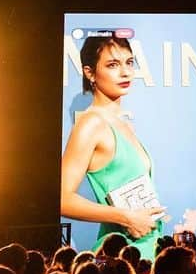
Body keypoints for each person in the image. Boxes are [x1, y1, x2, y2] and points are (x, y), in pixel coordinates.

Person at [61, 34, 167, 262]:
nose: (125, 72)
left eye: (129, 62)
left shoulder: (122, 124)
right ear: (90, 73)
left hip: (147, 250)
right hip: (121, 256)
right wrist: (126, 217)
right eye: (112, 65)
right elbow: (62, 198)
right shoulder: (91, 124)